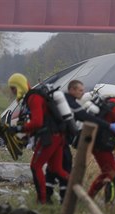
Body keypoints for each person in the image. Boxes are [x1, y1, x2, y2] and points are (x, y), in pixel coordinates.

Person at [45, 80, 115, 204]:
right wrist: (109, 126)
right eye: (80, 90)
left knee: (54, 166)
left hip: (57, 138)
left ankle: (48, 195)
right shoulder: (68, 102)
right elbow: (84, 116)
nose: (82, 93)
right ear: (72, 89)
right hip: (58, 139)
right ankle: (64, 199)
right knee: (65, 166)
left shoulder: (65, 100)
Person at [7, 73, 70, 205]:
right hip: (58, 136)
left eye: (13, 88)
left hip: (50, 137)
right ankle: (76, 189)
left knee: (35, 166)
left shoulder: (33, 98)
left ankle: (42, 200)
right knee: (57, 169)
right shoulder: (32, 97)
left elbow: (37, 122)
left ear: (19, 86)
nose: (13, 92)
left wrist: (18, 129)